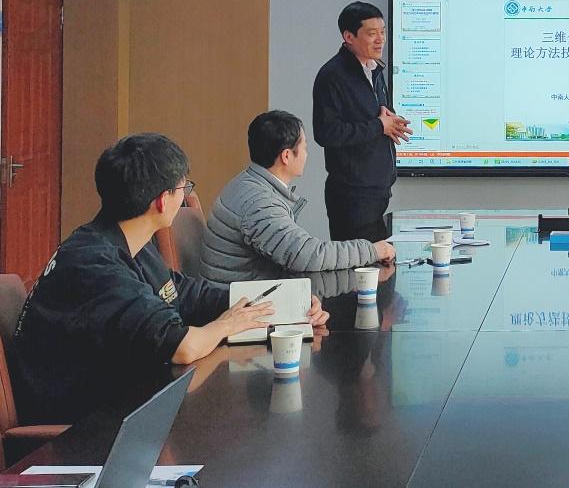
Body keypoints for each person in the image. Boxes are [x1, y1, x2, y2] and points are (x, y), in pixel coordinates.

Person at [10, 133, 330, 425]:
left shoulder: (125, 240)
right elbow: (181, 347)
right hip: (83, 424)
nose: (184, 196)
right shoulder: (95, 265)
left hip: (125, 399)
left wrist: (285, 303)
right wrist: (227, 325)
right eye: (183, 188)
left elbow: (183, 292)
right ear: (162, 201)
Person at [200, 110, 396, 285]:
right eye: (304, 147)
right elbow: (307, 256)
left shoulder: (248, 183)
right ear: (286, 156)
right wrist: (373, 250)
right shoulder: (259, 203)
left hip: (244, 294)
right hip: (239, 304)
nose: (306, 155)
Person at [313, 1, 412, 242]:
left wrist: (390, 120)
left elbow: (371, 115)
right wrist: (379, 126)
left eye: (383, 32)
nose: (380, 40)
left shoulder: (374, 70)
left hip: (377, 192)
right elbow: (326, 132)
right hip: (352, 196)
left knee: (379, 261)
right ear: (349, 37)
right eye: (371, 33)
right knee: (359, 263)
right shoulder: (333, 75)